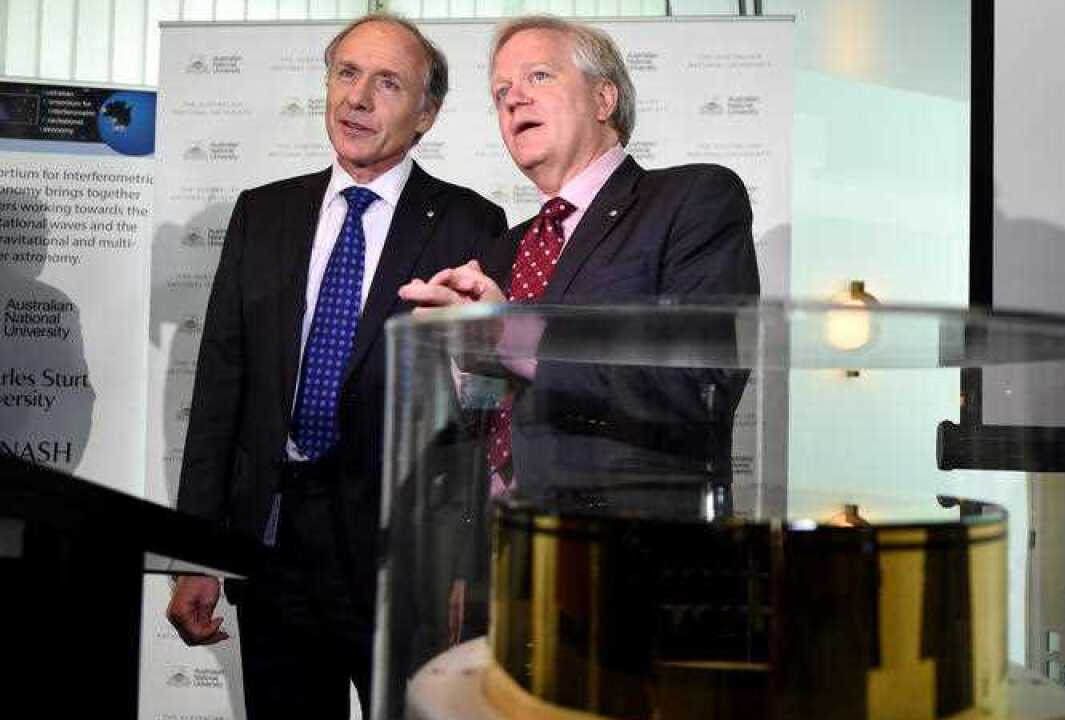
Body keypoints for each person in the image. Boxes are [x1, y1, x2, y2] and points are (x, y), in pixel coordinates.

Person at [165, 14, 506, 719]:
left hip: (402, 563)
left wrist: (465, 568)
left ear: (426, 114)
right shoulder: (264, 213)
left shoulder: (473, 223)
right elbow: (221, 387)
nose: (357, 97)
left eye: (387, 82)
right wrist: (196, 551)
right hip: (273, 546)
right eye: (346, 73)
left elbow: (481, 415)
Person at [396, 14, 759, 633]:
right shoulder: (506, 251)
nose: (514, 99)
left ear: (603, 96)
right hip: (500, 567)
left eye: (538, 75)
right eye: (500, 92)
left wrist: (505, 334)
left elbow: (702, 381)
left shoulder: (693, 201)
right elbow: (488, 422)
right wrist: (464, 356)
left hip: (630, 568)